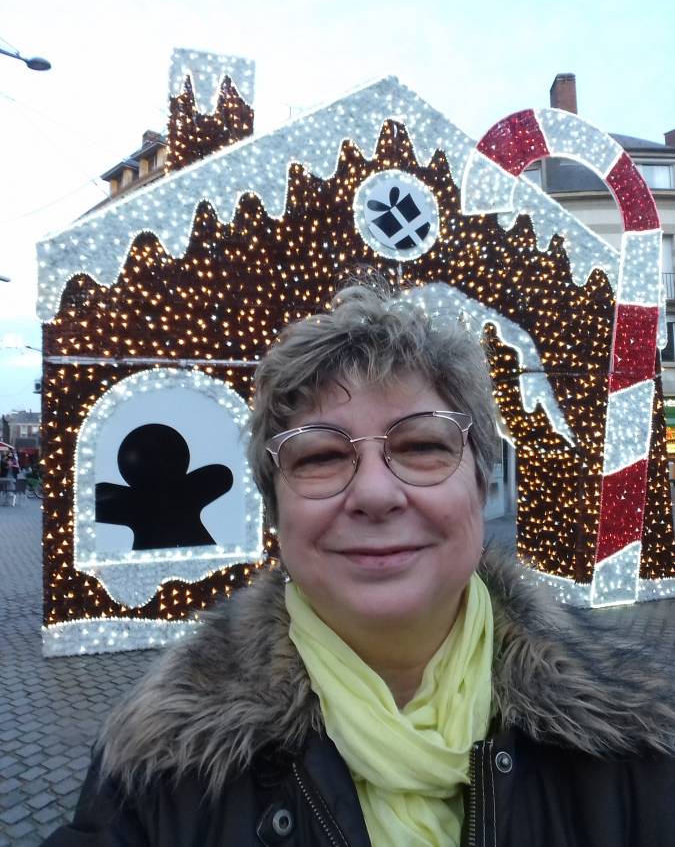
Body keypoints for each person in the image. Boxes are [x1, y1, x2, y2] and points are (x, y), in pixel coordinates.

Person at [43, 282, 675, 846]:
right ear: (277, 511)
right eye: (320, 457)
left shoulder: (637, 734)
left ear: (481, 485)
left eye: (422, 445)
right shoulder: (161, 764)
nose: (375, 493)